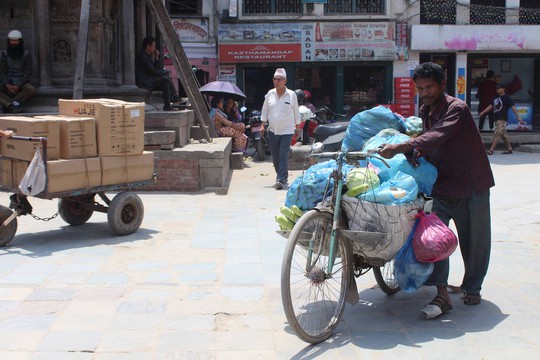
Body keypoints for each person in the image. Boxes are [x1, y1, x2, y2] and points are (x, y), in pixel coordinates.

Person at [378, 62, 495, 319]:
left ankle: (472, 287)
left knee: (474, 241)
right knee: (434, 237)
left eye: (429, 87)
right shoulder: (425, 110)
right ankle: (442, 293)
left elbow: (438, 135)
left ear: (442, 85)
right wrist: (412, 158)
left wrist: (401, 147)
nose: (425, 92)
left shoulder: (458, 109)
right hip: (441, 184)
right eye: (420, 88)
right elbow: (428, 141)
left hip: (471, 184)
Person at [261, 68, 300, 190]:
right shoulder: (270, 94)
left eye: (279, 79)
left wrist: (297, 128)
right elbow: (265, 110)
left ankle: (280, 179)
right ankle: (283, 175)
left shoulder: (291, 95)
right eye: (275, 79)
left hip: (287, 130)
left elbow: (296, 112)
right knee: (275, 157)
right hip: (273, 130)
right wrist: (262, 125)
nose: (276, 81)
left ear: (285, 81)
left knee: (283, 155)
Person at [135, 36, 180, 111]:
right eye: (153, 46)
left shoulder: (148, 56)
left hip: (150, 80)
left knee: (165, 81)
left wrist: (156, 58)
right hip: (144, 81)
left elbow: (154, 68)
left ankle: (169, 103)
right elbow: (153, 71)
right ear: (148, 46)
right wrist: (166, 71)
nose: (154, 49)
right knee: (165, 77)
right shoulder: (143, 56)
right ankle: (174, 96)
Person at [481, 83, 525, 155]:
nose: (497, 89)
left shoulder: (507, 98)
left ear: (503, 89)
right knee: (504, 134)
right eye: (496, 88)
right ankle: (509, 149)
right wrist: (483, 112)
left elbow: (513, 107)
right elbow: (491, 105)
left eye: (499, 88)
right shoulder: (495, 97)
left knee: (497, 133)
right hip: (496, 118)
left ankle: (491, 150)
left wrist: (518, 117)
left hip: (502, 118)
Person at [0, 30, 36, 113]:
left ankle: (7, 104)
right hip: (7, 81)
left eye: (15, 41)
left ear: (20, 41)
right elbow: (2, 71)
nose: (13, 43)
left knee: (31, 89)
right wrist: (6, 84)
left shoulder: (26, 54)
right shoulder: (4, 54)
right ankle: (11, 104)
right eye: (11, 41)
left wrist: (18, 85)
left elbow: (27, 72)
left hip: (21, 81)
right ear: (9, 42)